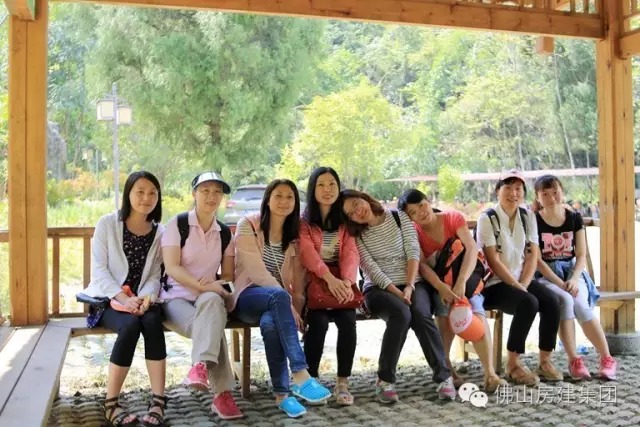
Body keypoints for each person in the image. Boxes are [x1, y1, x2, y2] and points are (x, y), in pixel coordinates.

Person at [341, 189, 456, 403]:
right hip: (378, 289)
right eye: (351, 213)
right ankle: (385, 379)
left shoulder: (398, 217)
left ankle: (443, 377)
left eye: (357, 204)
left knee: (421, 314)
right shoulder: (356, 235)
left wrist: (410, 286)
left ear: (364, 198)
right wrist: (397, 291)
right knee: (401, 313)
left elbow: (413, 252)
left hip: (413, 282)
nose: (358, 212)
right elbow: (371, 269)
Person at [232, 179, 331, 418]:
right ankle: (300, 373)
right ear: (268, 199)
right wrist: (286, 303)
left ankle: (282, 395)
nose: (284, 201)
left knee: (270, 324)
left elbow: (298, 281)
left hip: (276, 304)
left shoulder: (293, 235)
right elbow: (256, 272)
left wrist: (295, 307)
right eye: (278, 196)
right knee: (277, 296)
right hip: (246, 297)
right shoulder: (248, 225)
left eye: (290, 197)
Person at [397, 189, 507, 392]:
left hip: (467, 279)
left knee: (475, 308)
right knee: (443, 309)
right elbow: (421, 265)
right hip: (437, 283)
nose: (421, 212)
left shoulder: (452, 218)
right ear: (409, 218)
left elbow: (471, 248)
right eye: (413, 212)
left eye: (421, 205)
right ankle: (446, 368)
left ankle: (490, 375)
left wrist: (461, 282)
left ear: (428, 201)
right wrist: (441, 287)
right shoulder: (413, 232)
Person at [82, 171, 167, 427]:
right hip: (108, 299)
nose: (146, 198)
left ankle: (159, 401)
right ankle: (111, 403)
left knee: (152, 322)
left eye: (152, 193)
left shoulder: (160, 232)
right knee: (130, 326)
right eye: (140, 191)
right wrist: (122, 298)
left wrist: (145, 298)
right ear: (128, 193)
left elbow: (155, 274)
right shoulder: (107, 224)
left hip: (141, 300)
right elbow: (99, 270)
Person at [161, 171, 243, 420]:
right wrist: (202, 286)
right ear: (194, 194)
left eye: (217, 192)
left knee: (213, 304)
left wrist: (216, 286)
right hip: (174, 298)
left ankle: (199, 367)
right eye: (205, 190)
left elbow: (227, 277)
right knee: (212, 323)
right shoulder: (178, 224)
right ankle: (222, 394)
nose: (211, 196)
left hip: (207, 299)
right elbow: (172, 267)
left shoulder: (225, 233)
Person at [476, 169, 562, 385]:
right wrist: (517, 285)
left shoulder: (527, 216)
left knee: (552, 301)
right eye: (508, 188)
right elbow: (493, 260)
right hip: (494, 284)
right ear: (497, 191)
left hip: (521, 279)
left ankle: (545, 361)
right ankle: (513, 365)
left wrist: (523, 283)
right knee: (528, 302)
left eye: (518, 189)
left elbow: (533, 254)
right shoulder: (487, 218)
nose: (513, 193)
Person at [533, 174, 617, 380]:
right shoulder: (534, 220)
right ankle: (574, 361)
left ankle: (607, 359)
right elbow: (537, 260)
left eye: (555, 192)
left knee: (580, 303)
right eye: (545, 194)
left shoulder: (574, 218)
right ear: (537, 197)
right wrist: (561, 283)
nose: (551, 198)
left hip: (572, 271)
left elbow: (581, 255)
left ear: (562, 192)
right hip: (547, 275)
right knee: (565, 301)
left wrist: (573, 278)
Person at [299, 167, 359, 405]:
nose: (327, 189)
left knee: (348, 321)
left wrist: (347, 282)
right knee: (319, 322)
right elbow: (307, 253)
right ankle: (310, 381)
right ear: (313, 189)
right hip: (315, 281)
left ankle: (342, 382)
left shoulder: (344, 221)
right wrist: (329, 279)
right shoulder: (304, 221)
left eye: (332, 184)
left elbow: (351, 252)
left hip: (341, 281)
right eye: (321, 185)